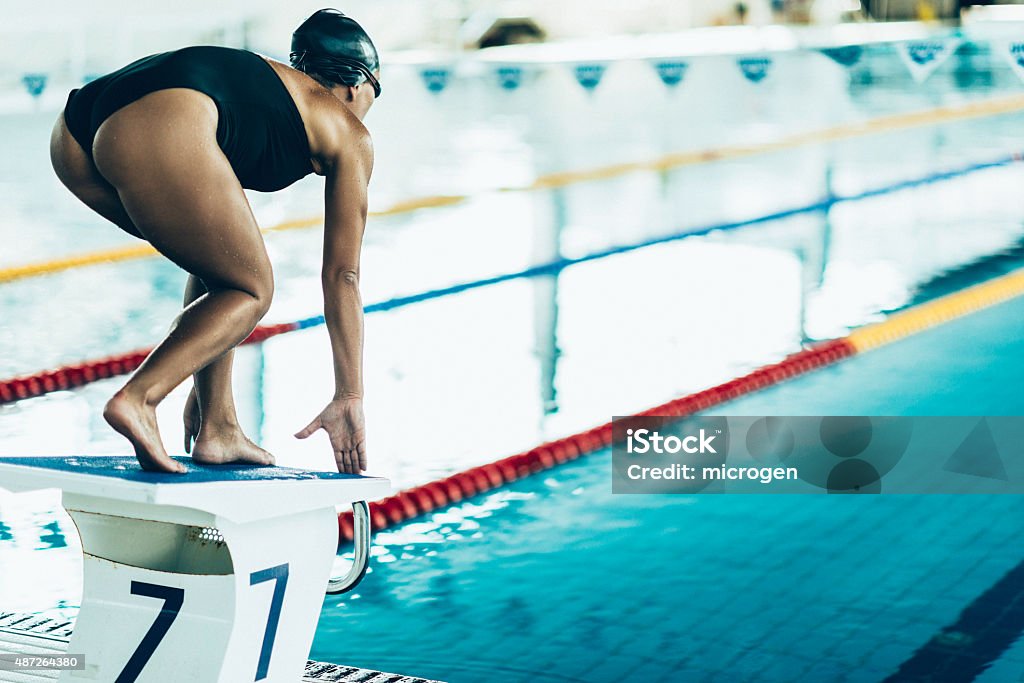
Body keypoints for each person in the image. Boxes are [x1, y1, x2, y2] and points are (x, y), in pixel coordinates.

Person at [48, 9, 379, 475]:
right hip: (155, 125)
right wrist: (349, 394)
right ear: (356, 86)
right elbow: (342, 274)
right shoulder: (348, 131)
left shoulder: (264, 94)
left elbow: (213, 263)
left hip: (74, 135)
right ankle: (140, 399)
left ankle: (219, 426)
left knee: (225, 271)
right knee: (252, 288)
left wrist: (205, 391)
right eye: (374, 95)